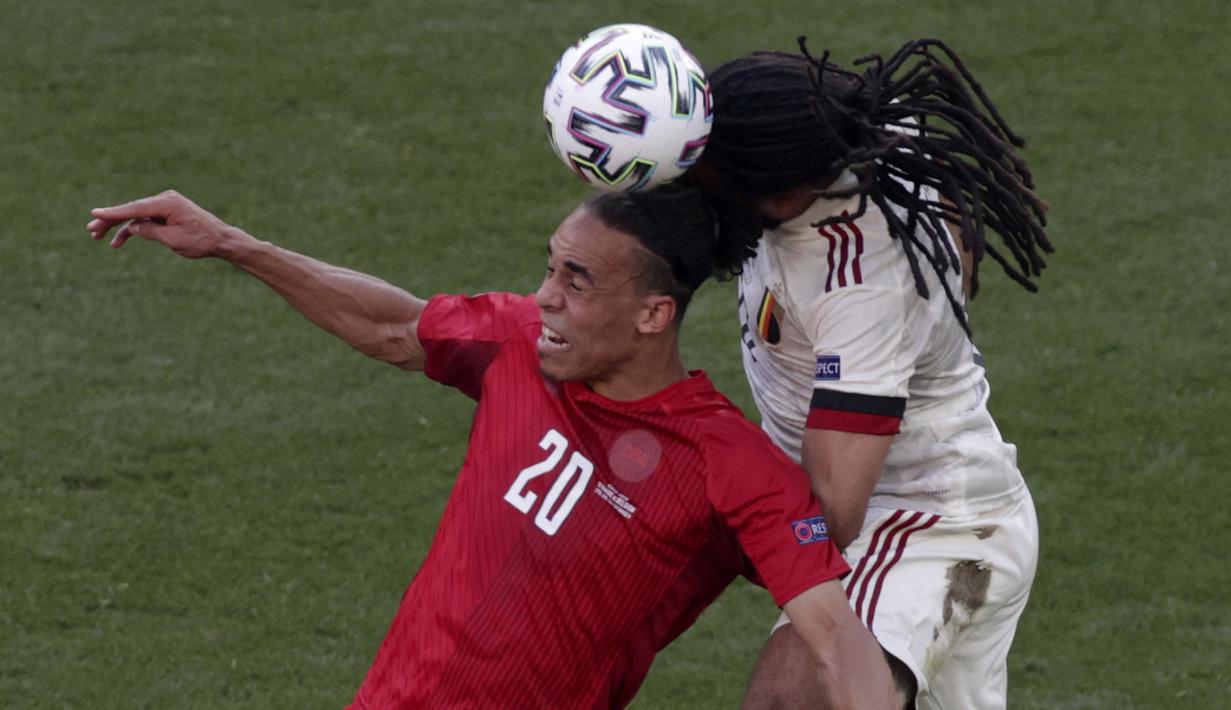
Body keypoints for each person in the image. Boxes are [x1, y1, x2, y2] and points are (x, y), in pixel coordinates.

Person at [86, 185, 897, 708]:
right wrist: (231, 241)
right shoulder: (517, 343)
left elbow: (832, 632)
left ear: (654, 315)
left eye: (575, 281)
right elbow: (394, 325)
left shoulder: (727, 464)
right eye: (548, 268)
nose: (544, 296)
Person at [690, 38, 1054, 709]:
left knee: (794, 699)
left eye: (717, 174)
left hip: (923, 518)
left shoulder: (861, 282)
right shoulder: (865, 136)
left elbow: (832, 510)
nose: (702, 180)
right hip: (919, 496)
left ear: (788, 186)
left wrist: (692, 523)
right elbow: (956, 246)